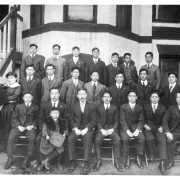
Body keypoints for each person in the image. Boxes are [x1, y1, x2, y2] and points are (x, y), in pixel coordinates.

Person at [5, 90, 38, 169]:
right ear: (23, 98)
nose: (27, 98)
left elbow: (37, 119)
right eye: (26, 97)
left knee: (32, 138)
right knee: (11, 137)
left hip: (29, 128)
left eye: (29, 97)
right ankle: (10, 158)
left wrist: (32, 126)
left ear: (32, 98)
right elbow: (14, 117)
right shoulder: (19, 106)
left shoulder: (36, 107)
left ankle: (27, 158)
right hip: (19, 127)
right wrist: (19, 126)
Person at [36, 87, 68, 171]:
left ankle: (58, 162)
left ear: (59, 95)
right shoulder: (44, 104)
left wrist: (63, 132)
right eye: (52, 93)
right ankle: (42, 161)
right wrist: (44, 130)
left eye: (56, 93)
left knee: (62, 141)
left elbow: (65, 121)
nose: (54, 95)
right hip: (46, 129)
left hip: (59, 130)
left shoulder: (63, 105)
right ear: (50, 95)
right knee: (38, 139)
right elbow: (40, 118)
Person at [68, 88, 97, 175]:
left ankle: (86, 163)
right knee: (70, 139)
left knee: (87, 140)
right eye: (80, 94)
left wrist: (86, 129)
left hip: (87, 129)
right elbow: (71, 120)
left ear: (86, 95)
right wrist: (75, 128)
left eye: (83, 94)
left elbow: (93, 121)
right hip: (76, 129)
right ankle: (72, 161)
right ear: (77, 96)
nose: (82, 96)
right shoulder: (73, 106)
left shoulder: (92, 106)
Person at [94, 91, 122, 172]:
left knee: (118, 139)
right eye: (105, 97)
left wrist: (112, 129)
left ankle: (116, 160)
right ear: (102, 98)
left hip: (111, 129)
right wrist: (102, 130)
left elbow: (117, 121)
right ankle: (98, 160)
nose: (106, 98)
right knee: (97, 139)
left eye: (108, 97)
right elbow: (97, 121)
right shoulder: (99, 108)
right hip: (102, 129)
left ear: (111, 98)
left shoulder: (115, 107)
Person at [120, 90, 145, 170]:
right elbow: (122, 120)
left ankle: (138, 157)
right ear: (128, 97)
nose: (132, 97)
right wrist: (127, 130)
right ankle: (126, 157)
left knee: (142, 138)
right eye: (130, 96)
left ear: (136, 97)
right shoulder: (123, 107)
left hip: (135, 128)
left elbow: (141, 120)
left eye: (133, 96)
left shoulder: (140, 108)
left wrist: (137, 130)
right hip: (125, 128)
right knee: (125, 139)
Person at [144, 90, 167, 175]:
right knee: (149, 139)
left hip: (158, 128)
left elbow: (165, 120)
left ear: (159, 98)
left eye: (156, 97)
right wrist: (145, 125)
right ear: (150, 98)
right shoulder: (145, 107)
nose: (154, 99)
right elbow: (142, 118)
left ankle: (162, 163)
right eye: (153, 97)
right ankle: (151, 154)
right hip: (148, 128)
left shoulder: (163, 108)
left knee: (162, 140)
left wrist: (162, 127)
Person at [39, 107, 67, 174]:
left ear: (59, 114)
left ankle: (48, 161)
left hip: (58, 139)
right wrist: (46, 135)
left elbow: (65, 129)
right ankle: (46, 163)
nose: (56, 115)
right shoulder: (47, 121)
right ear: (50, 114)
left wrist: (64, 134)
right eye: (54, 113)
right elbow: (44, 129)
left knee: (60, 148)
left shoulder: (62, 121)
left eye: (57, 113)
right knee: (46, 147)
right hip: (49, 138)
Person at [0, 71, 21, 153]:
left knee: (9, 126)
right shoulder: (5, 87)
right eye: (8, 78)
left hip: (12, 108)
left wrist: (4, 99)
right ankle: (3, 146)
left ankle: (9, 147)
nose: (10, 79)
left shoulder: (18, 87)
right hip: (5, 108)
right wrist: (6, 100)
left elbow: (15, 96)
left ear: (16, 78)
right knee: (3, 126)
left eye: (11, 78)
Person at [162, 92, 180, 171]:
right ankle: (171, 161)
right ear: (176, 99)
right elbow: (164, 120)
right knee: (169, 140)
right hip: (175, 131)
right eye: (178, 98)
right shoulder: (172, 108)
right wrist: (168, 132)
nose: (179, 99)